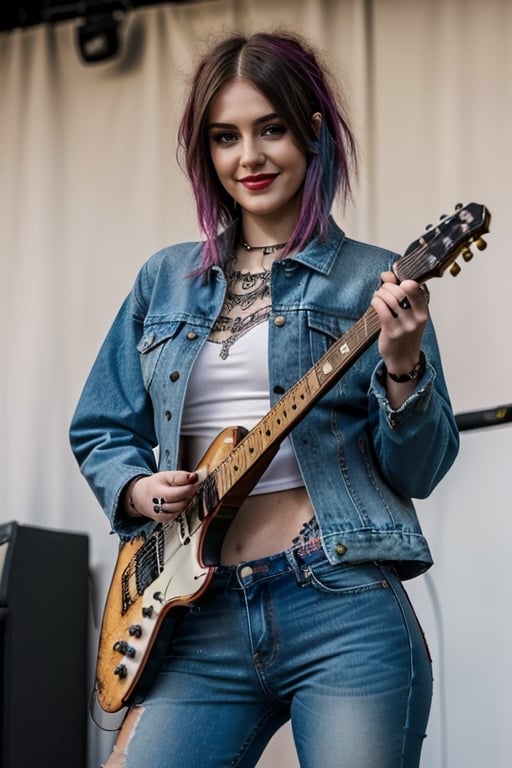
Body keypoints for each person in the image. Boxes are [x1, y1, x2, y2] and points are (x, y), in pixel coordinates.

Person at [70, 30, 459, 768]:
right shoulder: (165, 280)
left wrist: (403, 368)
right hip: (196, 611)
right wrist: (138, 487)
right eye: (226, 137)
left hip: (339, 599)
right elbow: (100, 426)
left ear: (312, 130)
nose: (248, 157)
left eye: (270, 128)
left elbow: (420, 471)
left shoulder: (374, 281)